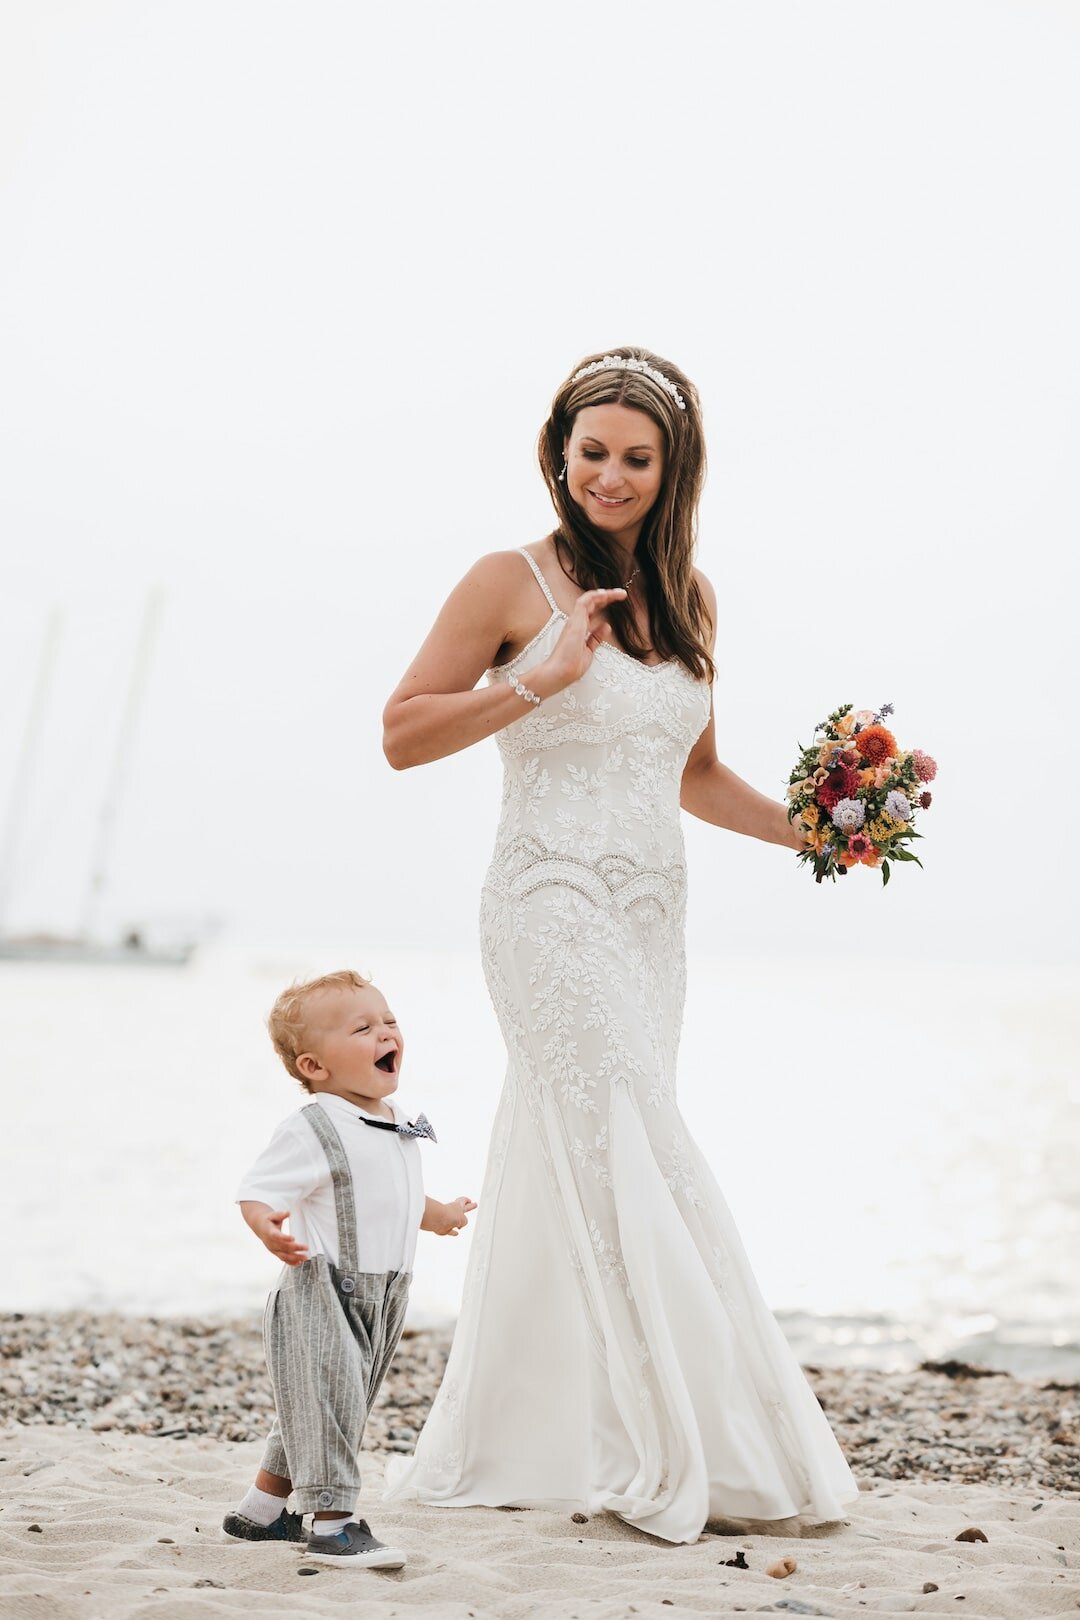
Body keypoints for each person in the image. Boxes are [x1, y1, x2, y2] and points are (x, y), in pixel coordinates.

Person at [380, 348, 859, 1544]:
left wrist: (817, 830)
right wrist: (539, 680)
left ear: (671, 468)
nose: (608, 475)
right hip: (545, 904)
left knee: (596, 1150)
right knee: (632, 1135)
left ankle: (561, 1431)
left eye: (634, 458)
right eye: (589, 452)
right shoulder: (508, 579)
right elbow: (401, 732)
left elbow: (691, 775)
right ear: (559, 454)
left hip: (653, 918)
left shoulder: (691, 598)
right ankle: (681, 1445)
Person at [222, 968, 476, 1569]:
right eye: (363, 1027)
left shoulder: (391, 1120)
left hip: (385, 1293)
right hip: (322, 1289)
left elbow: (391, 1195)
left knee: (329, 1403)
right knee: (330, 1402)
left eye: (388, 1020)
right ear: (315, 1066)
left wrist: (439, 1214)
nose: (386, 1031)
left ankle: (262, 1510)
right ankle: (333, 1524)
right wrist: (266, 1225)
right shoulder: (314, 1126)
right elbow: (257, 1188)